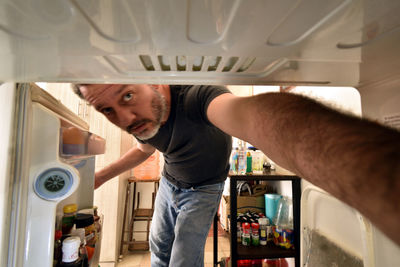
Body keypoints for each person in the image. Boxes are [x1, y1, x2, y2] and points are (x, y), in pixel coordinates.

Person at [74, 84, 400, 265]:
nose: (125, 117)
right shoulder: (140, 120)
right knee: (159, 248)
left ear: (153, 78)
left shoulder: (198, 97)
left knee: (183, 260)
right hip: (170, 183)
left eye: (127, 95)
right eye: (107, 110)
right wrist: (101, 176)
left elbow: (252, 118)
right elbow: (146, 149)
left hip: (204, 189)